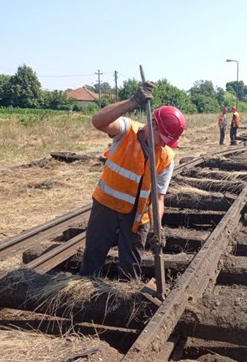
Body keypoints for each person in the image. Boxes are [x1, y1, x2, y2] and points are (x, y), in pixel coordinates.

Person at [79, 81, 186, 280]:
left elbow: (159, 198)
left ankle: (126, 303)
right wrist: (133, 101)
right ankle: (84, 296)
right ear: (152, 124)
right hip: (106, 206)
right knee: (93, 255)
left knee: (131, 267)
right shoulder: (126, 130)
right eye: (163, 138)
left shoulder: (166, 157)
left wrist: (157, 227)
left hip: (138, 217)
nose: (164, 144)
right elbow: (97, 122)